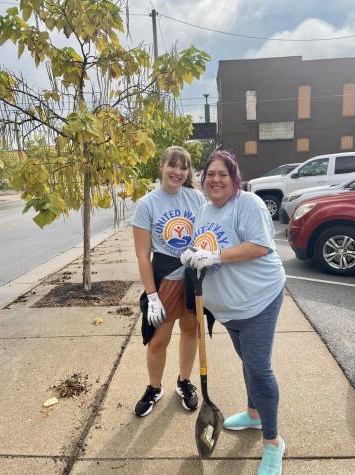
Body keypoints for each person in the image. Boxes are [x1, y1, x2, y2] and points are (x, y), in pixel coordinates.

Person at [181, 150, 286, 475]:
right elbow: (204, 245)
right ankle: (254, 415)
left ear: (234, 177)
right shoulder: (203, 209)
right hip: (228, 309)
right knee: (249, 363)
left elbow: (261, 245)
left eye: (222, 174)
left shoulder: (248, 204)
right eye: (209, 174)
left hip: (258, 300)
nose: (215, 179)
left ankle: (273, 443)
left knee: (258, 368)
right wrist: (193, 254)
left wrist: (215, 256)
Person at [132, 146, 206, 417]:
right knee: (157, 340)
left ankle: (184, 382)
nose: (177, 171)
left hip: (192, 279)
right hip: (164, 281)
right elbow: (143, 255)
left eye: (183, 167)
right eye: (172, 165)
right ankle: (154, 388)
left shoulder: (196, 199)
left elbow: (205, 235)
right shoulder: (147, 204)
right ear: (161, 166)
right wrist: (151, 296)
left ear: (188, 172)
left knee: (190, 331)